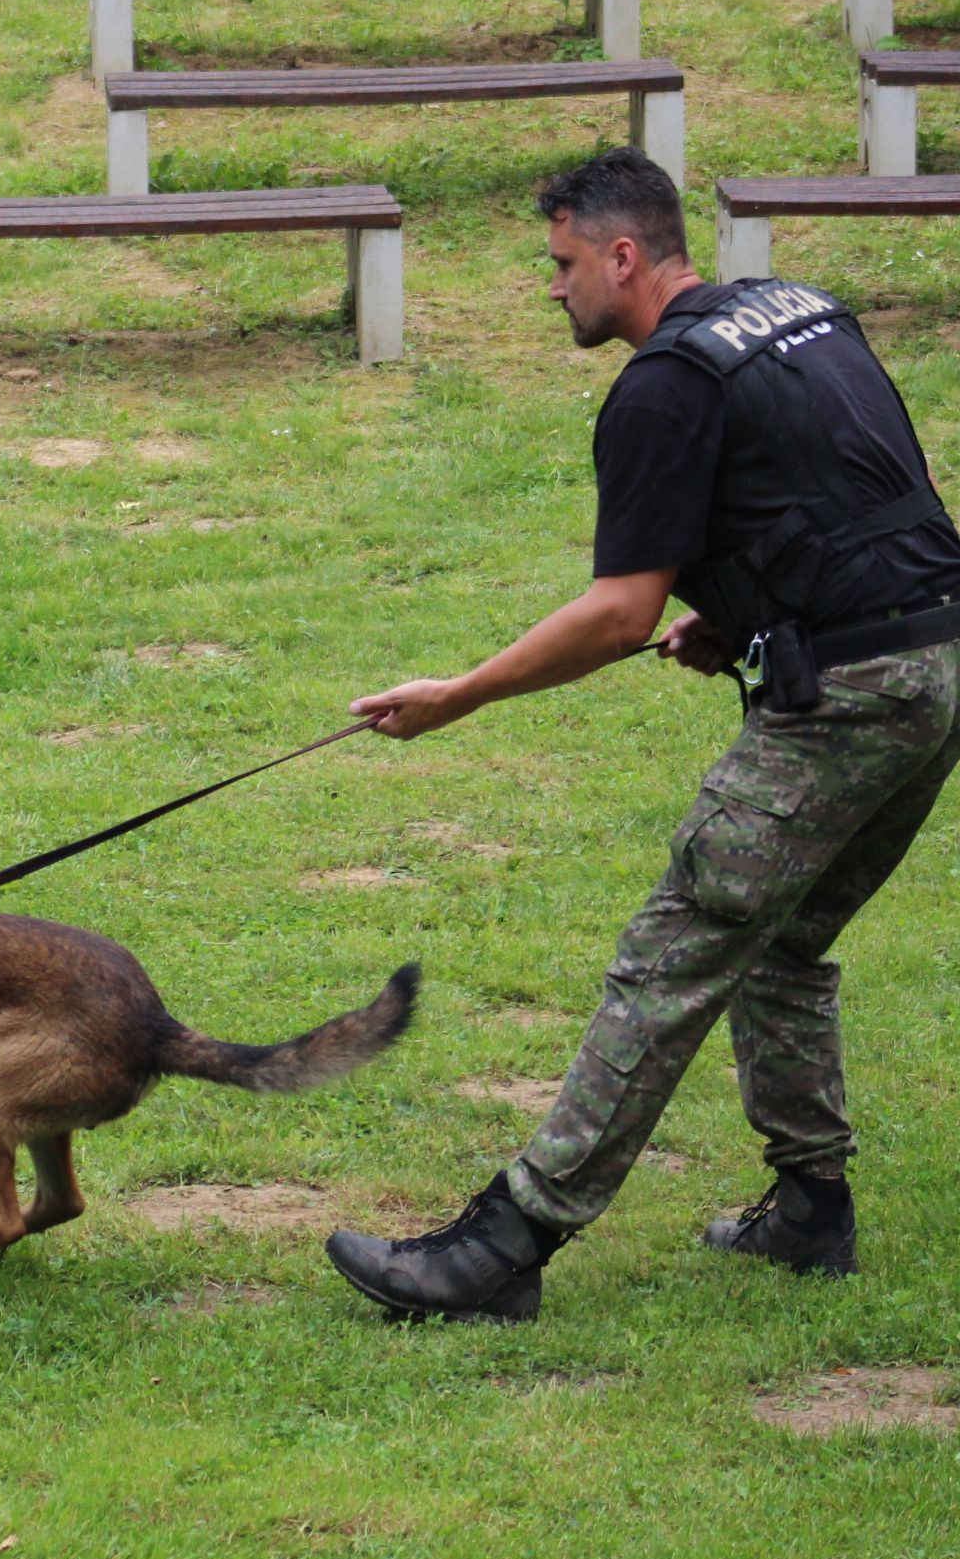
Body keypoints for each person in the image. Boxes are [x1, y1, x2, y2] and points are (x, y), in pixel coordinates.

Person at [324, 147, 960, 1323]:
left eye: (563, 263)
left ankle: (505, 1245)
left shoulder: (663, 386)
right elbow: (874, 487)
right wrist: (747, 614)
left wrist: (459, 694)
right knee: (784, 939)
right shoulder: (802, 310)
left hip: (855, 696)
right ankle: (811, 1210)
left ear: (623, 256)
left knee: (676, 953)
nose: (551, 286)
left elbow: (620, 614)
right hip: (939, 662)